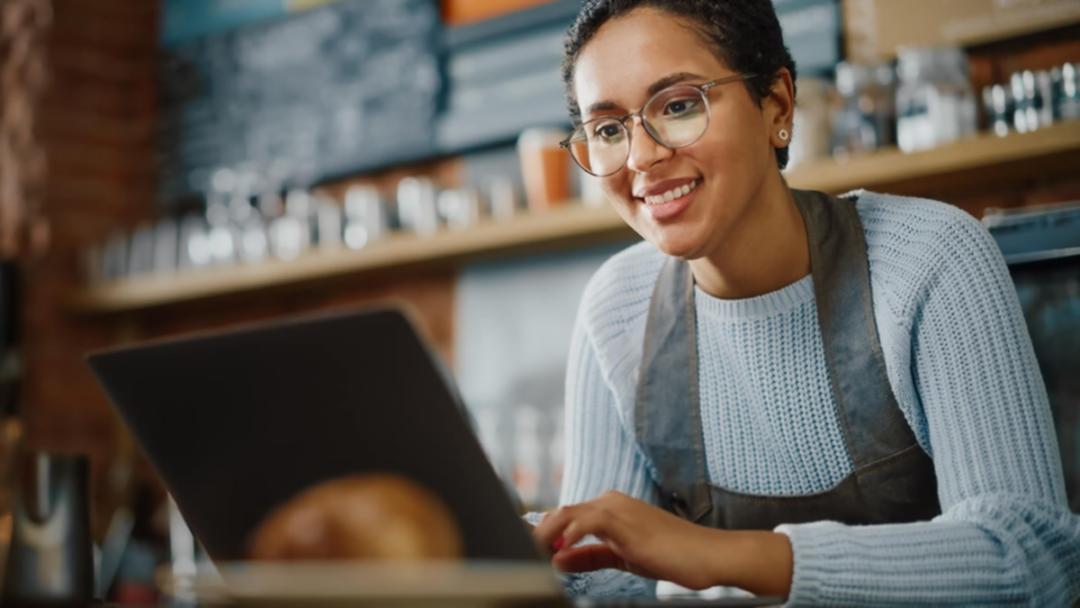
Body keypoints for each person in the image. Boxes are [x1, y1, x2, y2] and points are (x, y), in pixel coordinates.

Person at [528, 1, 1080, 605]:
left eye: (680, 105)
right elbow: (607, 589)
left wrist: (716, 557)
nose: (641, 157)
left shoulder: (929, 257)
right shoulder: (617, 308)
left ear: (778, 106)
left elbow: (1033, 560)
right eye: (608, 129)